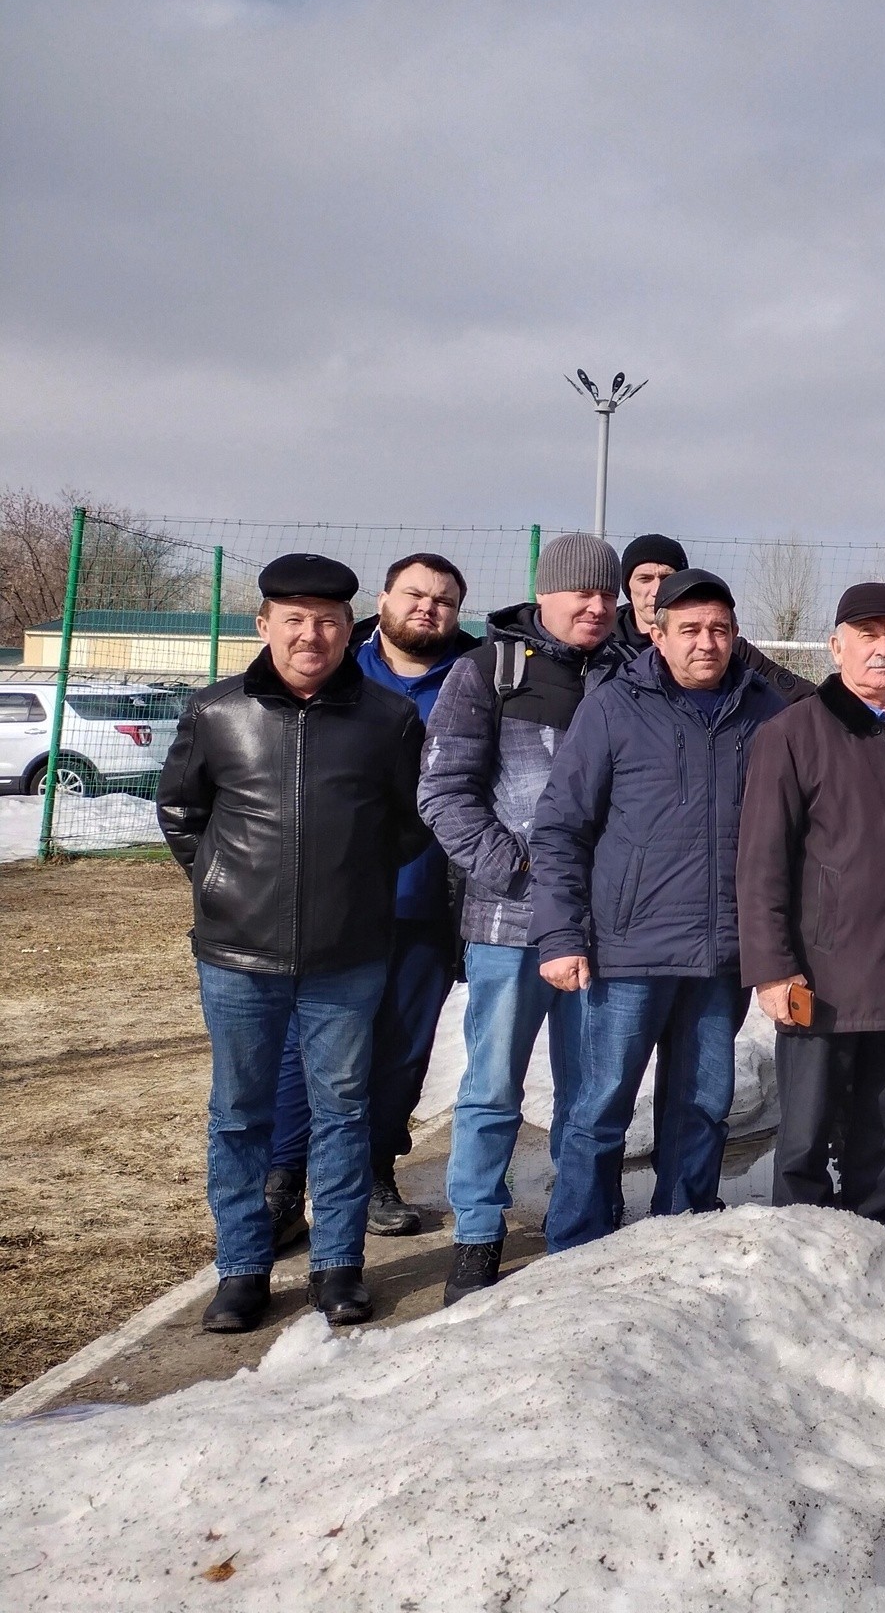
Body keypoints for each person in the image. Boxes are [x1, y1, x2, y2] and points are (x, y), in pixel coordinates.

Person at [156, 553, 426, 1333]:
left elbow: (411, 823)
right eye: (295, 620)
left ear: (350, 628)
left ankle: (338, 1267)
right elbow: (180, 812)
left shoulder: (388, 720)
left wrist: (353, 883)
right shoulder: (216, 712)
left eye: (329, 621)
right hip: (238, 956)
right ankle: (242, 1270)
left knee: (342, 1111)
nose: (312, 635)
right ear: (264, 624)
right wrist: (223, 884)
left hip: (348, 956)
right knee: (239, 1114)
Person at [533, 568, 790, 1252]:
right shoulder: (615, 707)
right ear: (658, 634)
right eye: (691, 629)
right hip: (629, 950)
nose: (707, 643)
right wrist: (560, 933)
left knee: (703, 1106)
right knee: (601, 1106)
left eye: (720, 630)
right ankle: (578, 1246)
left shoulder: (764, 712)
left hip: (722, 953)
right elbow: (560, 827)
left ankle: (680, 1238)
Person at [418, 531, 623, 1303]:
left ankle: (584, 1216)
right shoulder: (486, 672)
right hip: (510, 924)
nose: (596, 606)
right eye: (581, 592)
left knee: (590, 1086)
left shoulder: (630, 670)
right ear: (546, 594)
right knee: (493, 1085)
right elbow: (444, 792)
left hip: (603, 926)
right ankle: (477, 1231)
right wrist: (521, 867)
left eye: (607, 594)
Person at [265, 552, 475, 1247]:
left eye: (443, 600)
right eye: (414, 594)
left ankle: (374, 1169)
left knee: (401, 1051)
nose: (427, 608)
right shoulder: (335, 668)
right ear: (383, 600)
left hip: (429, 903)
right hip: (333, 902)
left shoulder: (477, 678)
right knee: (306, 1045)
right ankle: (283, 1181)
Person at [737, 583, 885, 1222]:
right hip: (822, 977)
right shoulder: (792, 734)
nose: (882, 649)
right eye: (867, 636)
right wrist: (773, 969)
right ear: (836, 647)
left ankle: (875, 1235)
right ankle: (800, 1248)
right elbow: (761, 863)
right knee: (805, 1136)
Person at [614, 531, 817, 702]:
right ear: (628, 586)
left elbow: (803, 697)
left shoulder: (728, 648)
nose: (657, 589)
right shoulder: (607, 647)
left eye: (667, 578)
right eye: (645, 579)